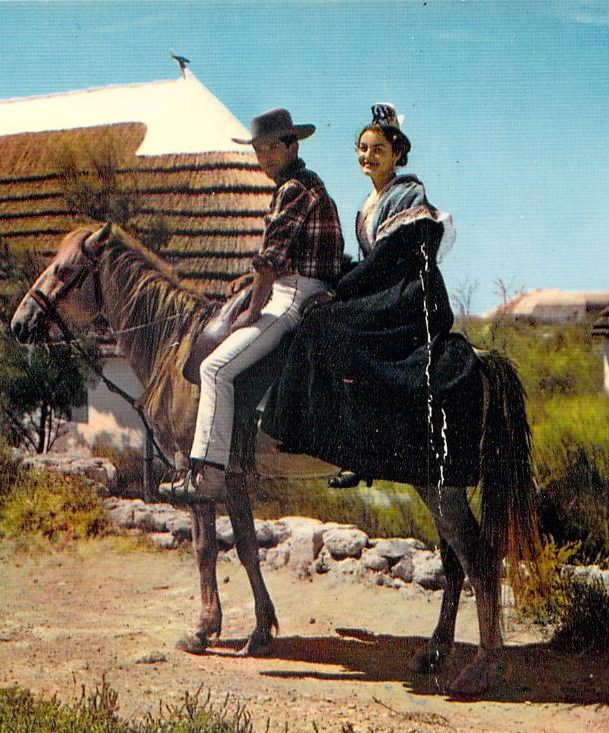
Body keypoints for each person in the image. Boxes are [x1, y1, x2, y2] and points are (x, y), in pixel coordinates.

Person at [260, 104, 485, 491]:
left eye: (378, 149)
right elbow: (367, 262)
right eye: (362, 149)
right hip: (386, 288)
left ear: (396, 154)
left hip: (411, 295)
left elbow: (385, 260)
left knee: (328, 324)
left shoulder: (409, 194)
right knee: (321, 319)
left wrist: (337, 291)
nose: (368, 156)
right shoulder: (369, 202)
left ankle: (358, 449)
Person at [160, 107, 343, 502]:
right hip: (299, 287)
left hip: (294, 296)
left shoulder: (294, 189)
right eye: (258, 151)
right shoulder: (308, 184)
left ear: (292, 145)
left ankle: (206, 474)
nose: (264, 159)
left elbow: (270, 260)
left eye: (271, 149)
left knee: (214, 369)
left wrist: (253, 310)